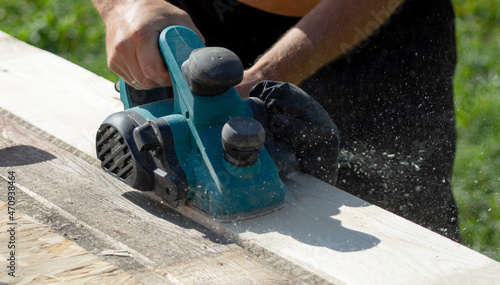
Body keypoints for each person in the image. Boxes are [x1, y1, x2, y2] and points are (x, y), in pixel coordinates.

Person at [91, 0, 460, 241]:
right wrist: (123, 4)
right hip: (188, 18)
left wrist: (258, 82)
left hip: (363, 31)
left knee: (408, 226)